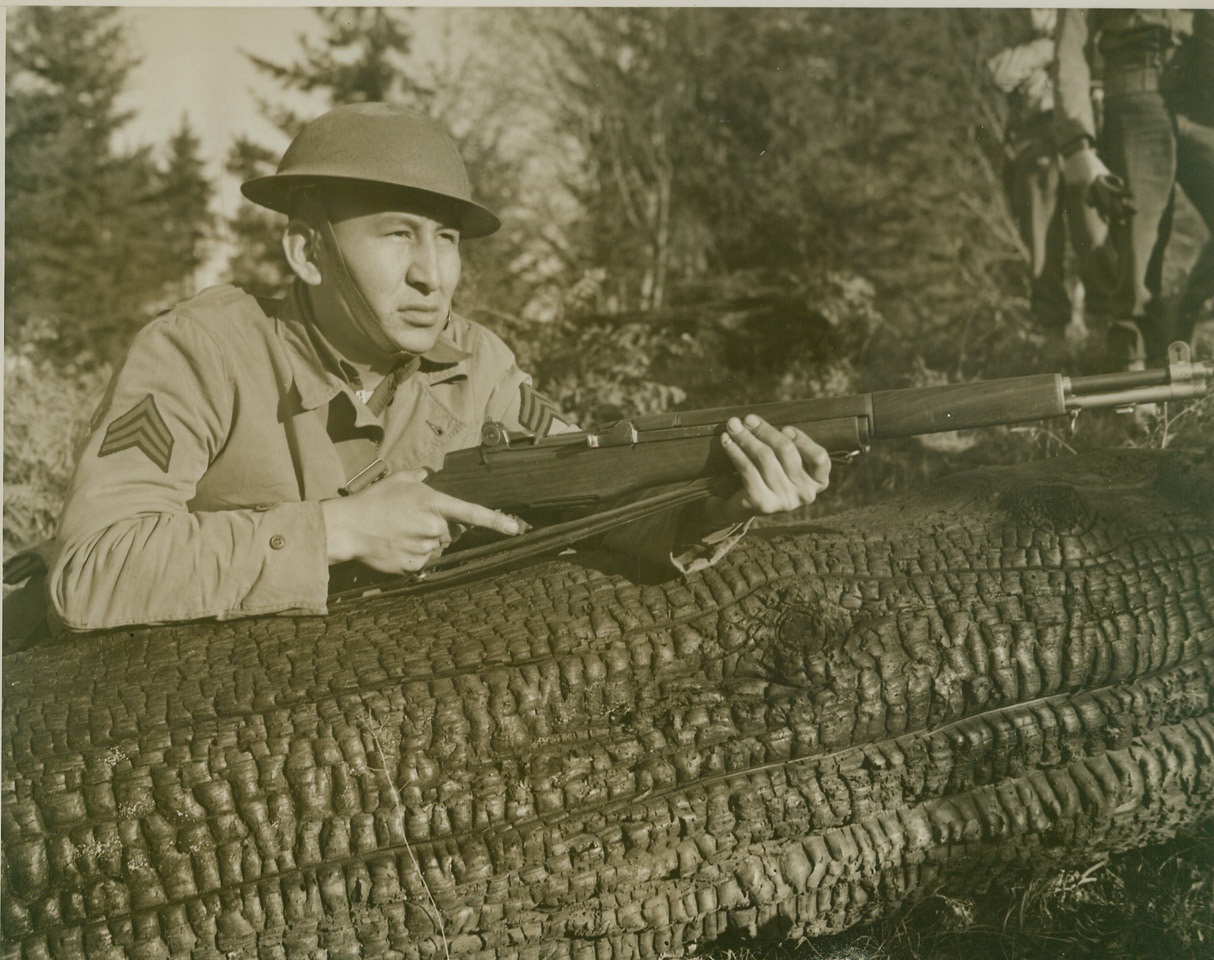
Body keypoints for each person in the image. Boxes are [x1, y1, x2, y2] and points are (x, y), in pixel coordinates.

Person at [37, 102, 831, 633]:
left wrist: (717, 501)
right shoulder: (202, 355)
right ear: (306, 252)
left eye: (446, 238)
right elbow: (92, 571)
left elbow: (598, 513)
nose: (433, 274)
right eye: (397, 235)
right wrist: (339, 531)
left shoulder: (479, 368)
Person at [1053, 9, 1214, 370]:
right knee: (1139, 262)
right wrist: (1078, 143)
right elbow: (1070, 47)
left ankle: (1182, 324)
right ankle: (1138, 397)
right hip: (1135, 94)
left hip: (1203, 92)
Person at [987, 9, 1109, 366]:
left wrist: (1053, 50)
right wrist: (1053, 46)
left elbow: (1096, 61)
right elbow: (999, 72)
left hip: (1085, 136)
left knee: (1095, 232)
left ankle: (1102, 334)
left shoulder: (1088, 18)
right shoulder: (1010, 25)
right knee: (1042, 246)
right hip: (1036, 139)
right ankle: (1053, 336)